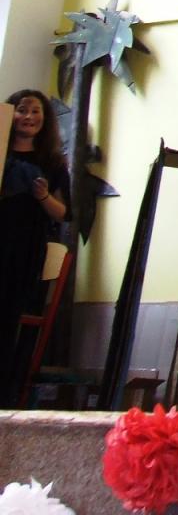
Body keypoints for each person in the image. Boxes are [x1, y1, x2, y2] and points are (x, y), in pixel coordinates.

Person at [1, 89, 71, 408]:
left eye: (35, 111)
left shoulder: (52, 162)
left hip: (25, 248)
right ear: (10, 114)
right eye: (21, 110)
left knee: (9, 319)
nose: (28, 117)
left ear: (45, 119)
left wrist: (43, 196)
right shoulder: (1, 154)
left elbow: (65, 213)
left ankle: (6, 395)